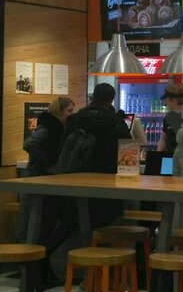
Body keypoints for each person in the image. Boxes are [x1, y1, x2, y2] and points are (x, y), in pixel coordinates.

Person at [63, 82, 133, 229]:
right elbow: (129, 158)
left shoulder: (75, 120)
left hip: (75, 183)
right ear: (112, 99)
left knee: (77, 224)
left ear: (93, 97)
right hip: (109, 184)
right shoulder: (117, 122)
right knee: (106, 227)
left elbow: (63, 150)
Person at [18, 97, 76, 268]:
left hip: (45, 177)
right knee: (39, 219)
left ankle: (38, 260)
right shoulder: (47, 128)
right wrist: (48, 163)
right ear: (60, 111)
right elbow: (29, 144)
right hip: (39, 176)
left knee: (45, 219)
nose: (71, 115)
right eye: (69, 111)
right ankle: (34, 260)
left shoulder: (55, 127)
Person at [157, 82, 183, 156]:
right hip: (173, 157)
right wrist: (158, 156)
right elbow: (163, 139)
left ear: (174, 101)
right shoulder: (169, 117)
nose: (165, 103)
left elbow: (163, 139)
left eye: (167, 100)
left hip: (182, 157)